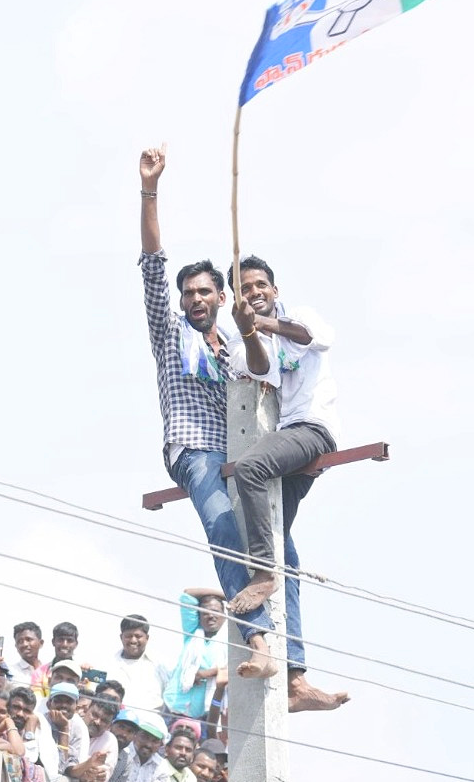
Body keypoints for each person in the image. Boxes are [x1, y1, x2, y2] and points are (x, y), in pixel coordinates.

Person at [136, 144, 280, 683]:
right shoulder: (171, 335)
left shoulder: (236, 351)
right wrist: (150, 189)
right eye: (188, 294)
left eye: (204, 291)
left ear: (222, 295)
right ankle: (258, 639)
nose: (195, 299)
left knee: (278, 545)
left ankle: (295, 671)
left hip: (246, 456)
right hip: (196, 450)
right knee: (225, 529)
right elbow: (152, 265)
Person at [225, 255, 348, 712]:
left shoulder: (301, 315)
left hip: (311, 429)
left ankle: (261, 574)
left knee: (251, 470)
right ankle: (297, 679)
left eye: (260, 286)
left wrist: (262, 321)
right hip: (287, 433)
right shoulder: (245, 336)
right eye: (245, 289)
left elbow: (314, 338)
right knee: (285, 547)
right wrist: (248, 329)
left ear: (274, 290)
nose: (254, 292)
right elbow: (260, 367)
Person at [164, 589, 226, 723]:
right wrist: (227, 596)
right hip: (173, 707)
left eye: (215, 611)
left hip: (205, 715)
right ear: (198, 616)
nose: (210, 616)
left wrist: (206, 673)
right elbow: (188, 594)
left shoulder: (230, 640)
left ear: (225, 616)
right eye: (205, 612)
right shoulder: (192, 632)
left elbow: (234, 668)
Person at [101, 615, 167, 713]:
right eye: (128, 636)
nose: (133, 640)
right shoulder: (108, 665)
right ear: (121, 637)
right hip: (116, 723)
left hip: (150, 724)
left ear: (147, 638)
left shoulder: (160, 666)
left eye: (138, 636)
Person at [9, 686, 60, 781]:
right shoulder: (0, 720)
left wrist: (29, 732)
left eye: (26, 711)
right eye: (16, 707)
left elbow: (29, 759)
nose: (20, 714)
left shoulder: (38, 725)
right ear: (8, 706)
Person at [41, 682, 89, 778]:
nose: (63, 705)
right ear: (49, 704)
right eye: (58, 701)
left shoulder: (77, 728)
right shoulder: (41, 721)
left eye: (69, 702)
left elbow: (63, 768)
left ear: (76, 707)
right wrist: (64, 728)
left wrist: (64, 729)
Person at [73, 697, 119, 782]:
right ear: (86, 710)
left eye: (104, 720)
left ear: (109, 725)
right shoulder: (71, 723)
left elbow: (102, 774)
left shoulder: (110, 741)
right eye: (94, 715)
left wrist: (97, 774)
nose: (97, 722)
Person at [6, 622, 50, 696]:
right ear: (16, 646)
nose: (24, 644)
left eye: (29, 639)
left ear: (41, 643)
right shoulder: (10, 672)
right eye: (20, 641)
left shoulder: (50, 669)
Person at [0, 690, 27, 758]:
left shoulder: (6, 734)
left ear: (8, 714)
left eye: (2, 712)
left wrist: (9, 722)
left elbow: (19, 752)